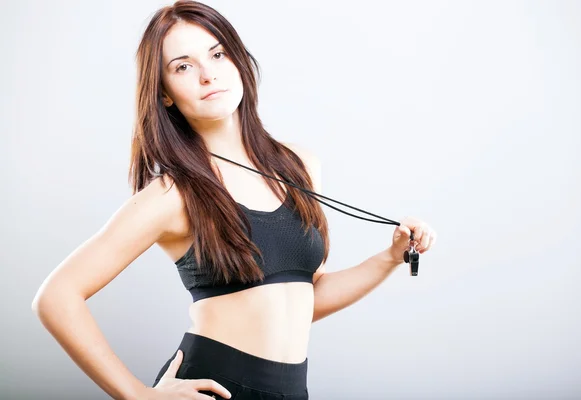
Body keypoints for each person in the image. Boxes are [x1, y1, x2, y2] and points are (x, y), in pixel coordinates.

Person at [31, 1, 437, 399]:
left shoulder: (299, 166)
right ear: (165, 93)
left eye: (218, 53)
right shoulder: (175, 193)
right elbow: (56, 296)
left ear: (238, 61)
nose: (208, 75)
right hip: (214, 386)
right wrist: (138, 395)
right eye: (183, 66)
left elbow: (306, 298)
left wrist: (390, 257)